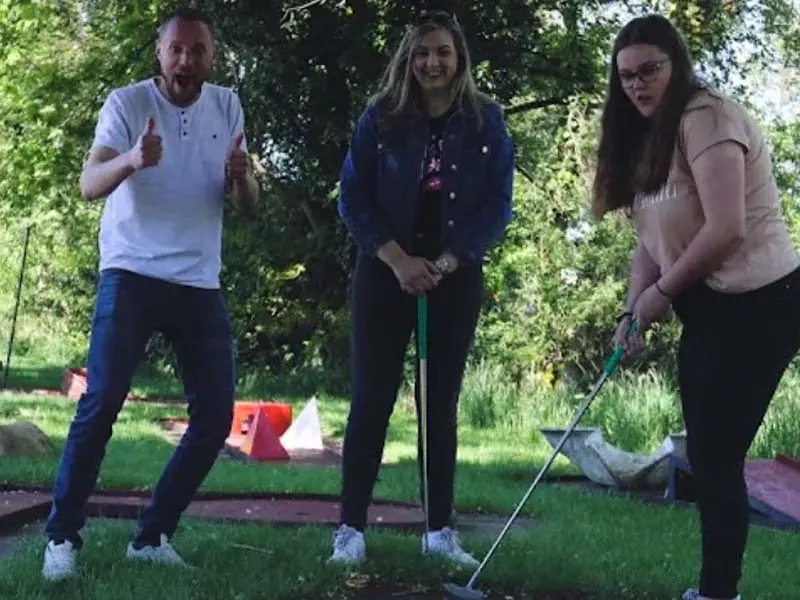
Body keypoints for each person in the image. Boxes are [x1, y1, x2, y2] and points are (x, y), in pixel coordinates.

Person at [41, 7, 259, 581]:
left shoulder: (228, 106)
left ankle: (153, 535)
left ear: (213, 56)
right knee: (103, 399)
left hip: (197, 280)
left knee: (214, 418)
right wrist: (133, 160)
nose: (186, 60)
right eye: (176, 49)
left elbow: (248, 205)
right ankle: (62, 537)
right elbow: (90, 184)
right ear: (160, 53)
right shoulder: (127, 103)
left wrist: (242, 177)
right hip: (132, 271)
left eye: (199, 50)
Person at [591, 13, 800, 600]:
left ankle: (716, 592)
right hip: (709, 308)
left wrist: (662, 294)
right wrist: (633, 308)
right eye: (626, 75)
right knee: (710, 456)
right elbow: (648, 240)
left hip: (763, 302)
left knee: (715, 454)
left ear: (675, 64)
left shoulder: (707, 116)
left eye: (649, 70)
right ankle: (716, 590)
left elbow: (726, 229)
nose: (637, 84)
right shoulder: (643, 135)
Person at [331, 9, 515, 566]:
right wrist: (397, 259)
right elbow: (352, 196)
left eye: (442, 53)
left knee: (440, 404)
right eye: (422, 54)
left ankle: (438, 531)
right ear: (407, 62)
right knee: (371, 401)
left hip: (453, 277)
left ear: (459, 60)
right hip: (384, 273)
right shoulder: (381, 118)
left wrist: (448, 261)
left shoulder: (487, 120)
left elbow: (497, 205)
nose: (432, 63)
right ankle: (350, 531)